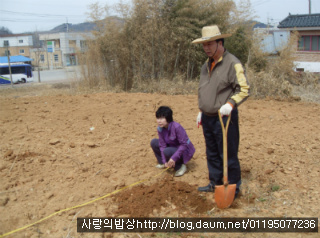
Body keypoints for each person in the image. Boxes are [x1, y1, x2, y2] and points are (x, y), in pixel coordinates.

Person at [192, 25, 250, 197]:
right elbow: (205, 89)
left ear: (220, 42)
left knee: (228, 153)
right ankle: (215, 183)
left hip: (225, 117)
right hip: (208, 117)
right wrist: (202, 110)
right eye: (204, 45)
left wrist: (231, 104)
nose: (206, 48)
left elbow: (244, 89)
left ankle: (233, 188)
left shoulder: (233, 63)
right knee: (212, 152)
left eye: (210, 44)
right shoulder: (205, 65)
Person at [150, 106, 195, 177]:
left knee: (167, 151)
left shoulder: (177, 127)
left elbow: (184, 145)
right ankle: (163, 163)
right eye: (158, 118)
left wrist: (173, 158)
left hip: (185, 151)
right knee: (154, 142)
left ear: (168, 118)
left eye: (162, 118)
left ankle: (180, 167)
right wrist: (164, 161)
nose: (159, 121)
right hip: (172, 148)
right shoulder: (160, 129)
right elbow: (162, 145)